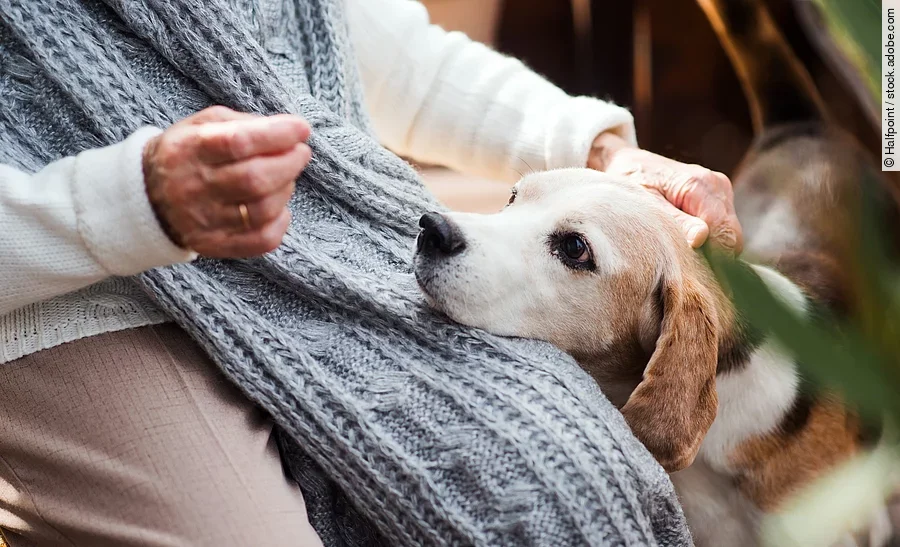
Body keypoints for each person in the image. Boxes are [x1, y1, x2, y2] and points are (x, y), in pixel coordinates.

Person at [0, 0, 741, 545]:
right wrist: (132, 202)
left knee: (575, 483)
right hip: (77, 298)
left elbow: (386, 55)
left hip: (326, 249)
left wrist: (601, 152)